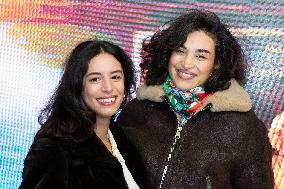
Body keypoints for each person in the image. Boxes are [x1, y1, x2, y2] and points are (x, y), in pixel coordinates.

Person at [117, 9, 274, 188]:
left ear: (217, 63)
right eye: (180, 51)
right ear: (168, 54)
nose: (186, 63)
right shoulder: (136, 111)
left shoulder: (245, 128)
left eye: (200, 56)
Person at [19, 40, 146, 189]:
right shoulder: (55, 148)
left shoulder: (120, 139)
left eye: (115, 77)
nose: (108, 88)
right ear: (77, 86)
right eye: (95, 79)